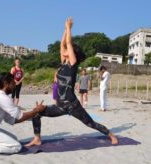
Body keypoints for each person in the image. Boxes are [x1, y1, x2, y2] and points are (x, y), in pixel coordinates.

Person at [25, 17, 118, 147]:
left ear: (72, 53)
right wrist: (65, 29)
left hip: (73, 106)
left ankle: (110, 134)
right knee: (36, 113)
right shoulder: (63, 63)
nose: (65, 51)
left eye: (69, 50)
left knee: (90, 123)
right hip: (60, 106)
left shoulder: (73, 65)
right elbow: (62, 45)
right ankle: (37, 138)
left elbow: (68, 43)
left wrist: (69, 28)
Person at [0, 72, 45, 156]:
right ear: (6, 83)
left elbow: (11, 120)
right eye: (13, 83)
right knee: (16, 147)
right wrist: (36, 111)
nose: (14, 85)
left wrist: (33, 114)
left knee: (15, 140)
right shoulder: (2, 98)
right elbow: (20, 116)